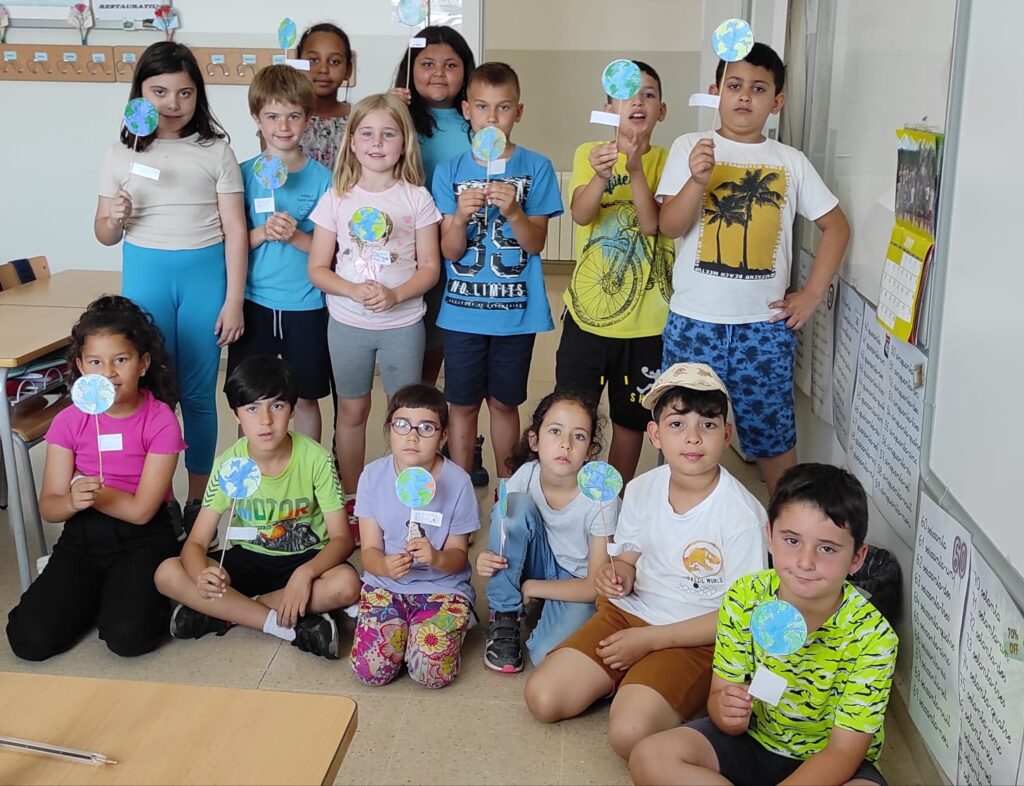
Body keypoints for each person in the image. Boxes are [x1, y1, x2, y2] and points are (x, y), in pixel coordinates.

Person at [524, 363, 768, 760]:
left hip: (695, 639)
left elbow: (738, 618)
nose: (692, 437)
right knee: (543, 698)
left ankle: (645, 684)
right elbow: (628, 557)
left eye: (707, 425)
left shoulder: (743, 515)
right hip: (627, 617)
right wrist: (617, 575)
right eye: (677, 424)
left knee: (628, 734)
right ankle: (631, 680)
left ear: (726, 435)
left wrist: (651, 641)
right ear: (655, 434)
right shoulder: (640, 488)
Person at [656, 42, 850, 496]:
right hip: (694, 324)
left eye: (758, 88)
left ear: (776, 102)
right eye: (734, 85)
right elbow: (669, 226)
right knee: (682, 432)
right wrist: (697, 180)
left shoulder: (790, 162)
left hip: (763, 328)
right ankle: (677, 522)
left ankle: (783, 525)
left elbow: (836, 227)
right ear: (715, 93)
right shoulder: (690, 147)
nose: (744, 96)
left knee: (773, 438)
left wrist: (812, 293)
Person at [629, 463, 898, 786]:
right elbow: (719, 695)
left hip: (827, 764)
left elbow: (844, 752)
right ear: (769, 536)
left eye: (827, 548)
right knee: (649, 757)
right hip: (751, 742)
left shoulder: (874, 637)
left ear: (857, 558)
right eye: (792, 541)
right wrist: (726, 713)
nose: (805, 562)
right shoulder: (745, 597)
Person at [94, 41, 247, 535]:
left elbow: (236, 230)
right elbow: (104, 234)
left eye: (184, 92)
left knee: (199, 394)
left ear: (198, 95)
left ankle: (198, 499)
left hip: (204, 277)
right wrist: (114, 217)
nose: (172, 103)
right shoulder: (119, 153)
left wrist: (234, 300)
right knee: (151, 392)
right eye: (159, 92)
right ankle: (155, 497)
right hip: (147, 275)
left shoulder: (216, 151)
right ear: (139, 94)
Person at [6, 296, 183, 660]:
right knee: (29, 639)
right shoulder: (69, 421)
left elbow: (141, 512)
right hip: (83, 536)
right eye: (96, 362)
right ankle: (92, 594)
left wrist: (98, 495)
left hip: (143, 538)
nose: (109, 373)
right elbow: (50, 507)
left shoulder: (160, 420)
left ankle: (147, 591)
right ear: (80, 366)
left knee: (128, 637)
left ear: (143, 363)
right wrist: (72, 501)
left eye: (121, 360)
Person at [154, 356, 360, 660]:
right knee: (167, 573)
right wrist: (202, 576)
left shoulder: (316, 459)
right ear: (236, 414)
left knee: (347, 585)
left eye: (276, 406)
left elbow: (342, 539)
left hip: (307, 556)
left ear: (292, 409)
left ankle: (228, 612)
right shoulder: (229, 464)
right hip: (250, 556)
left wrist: (304, 574)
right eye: (252, 408)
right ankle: (281, 621)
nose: (265, 420)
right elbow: (196, 542)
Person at [308, 94, 441, 542]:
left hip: (403, 324)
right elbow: (318, 268)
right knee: (352, 409)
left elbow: (430, 268)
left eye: (388, 134)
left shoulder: (417, 198)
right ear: (351, 141)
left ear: (404, 143)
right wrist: (352, 290)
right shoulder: (337, 198)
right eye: (366, 133)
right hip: (348, 323)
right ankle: (353, 497)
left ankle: (405, 494)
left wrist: (395, 294)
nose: (377, 143)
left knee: (406, 413)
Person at [433, 62, 563, 487]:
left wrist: (514, 211)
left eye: (503, 107)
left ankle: (511, 491)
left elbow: (535, 243)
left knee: (505, 404)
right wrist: (458, 219)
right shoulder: (449, 171)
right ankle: (458, 491)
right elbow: (450, 250)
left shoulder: (537, 167)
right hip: (462, 314)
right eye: (482, 107)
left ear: (518, 112)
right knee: (462, 406)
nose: (492, 118)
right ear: (466, 110)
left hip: (515, 316)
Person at [556, 60, 674, 486]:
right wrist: (599, 176)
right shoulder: (589, 153)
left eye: (648, 94)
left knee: (631, 418)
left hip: (648, 323)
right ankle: (571, 494)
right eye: (626, 95)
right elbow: (581, 214)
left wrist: (636, 167)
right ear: (609, 108)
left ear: (661, 110)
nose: (637, 103)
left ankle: (612, 498)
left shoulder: (668, 160)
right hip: (587, 317)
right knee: (573, 412)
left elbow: (652, 224)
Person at [476, 392, 619, 673]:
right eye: (555, 431)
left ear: (590, 451)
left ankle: (543, 601)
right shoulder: (526, 475)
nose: (566, 444)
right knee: (513, 507)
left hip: (577, 580)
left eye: (579, 436)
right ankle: (505, 614)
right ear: (534, 440)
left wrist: (532, 587)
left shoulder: (601, 497)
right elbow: (504, 530)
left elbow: (594, 586)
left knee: (546, 656)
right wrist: (487, 556)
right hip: (538, 561)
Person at [228, 65, 333, 444]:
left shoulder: (324, 179)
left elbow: (330, 251)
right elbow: (229, 243)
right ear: (256, 118)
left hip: (305, 304)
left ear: (308, 118)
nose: (283, 126)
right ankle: (251, 469)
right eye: (272, 116)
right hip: (253, 302)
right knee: (250, 397)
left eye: (293, 116)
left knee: (304, 397)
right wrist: (261, 232)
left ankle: (310, 468)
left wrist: (295, 236)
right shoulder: (241, 175)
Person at [350, 384, 480, 688]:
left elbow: (458, 556)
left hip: (443, 587)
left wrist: (435, 558)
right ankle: (402, 628)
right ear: (389, 430)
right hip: (386, 584)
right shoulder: (372, 476)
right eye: (402, 425)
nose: (412, 436)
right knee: (371, 670)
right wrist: (383, 566)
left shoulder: (459, 482)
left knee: (431, 673)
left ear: (443, 436)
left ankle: (447, 623)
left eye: (426, 428)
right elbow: (369, 550)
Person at [390, 25, 476, 391]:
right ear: (410, 69)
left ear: (466, 72)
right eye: (427, 64)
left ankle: (434, 405)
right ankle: (412, 405)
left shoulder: (476, 122)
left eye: (450, 65)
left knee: (444, 336)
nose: (439, 73)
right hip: (407, 246)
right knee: (412, 337)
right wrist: (388, 111)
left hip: (460, 246)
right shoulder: (397, 117)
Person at [296, 22, 354, 169]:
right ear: (297, 63)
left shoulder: (359, 119)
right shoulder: (283, 119)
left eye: (334, 61)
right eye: (313, 60)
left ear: (348, 69)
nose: (323, 69)